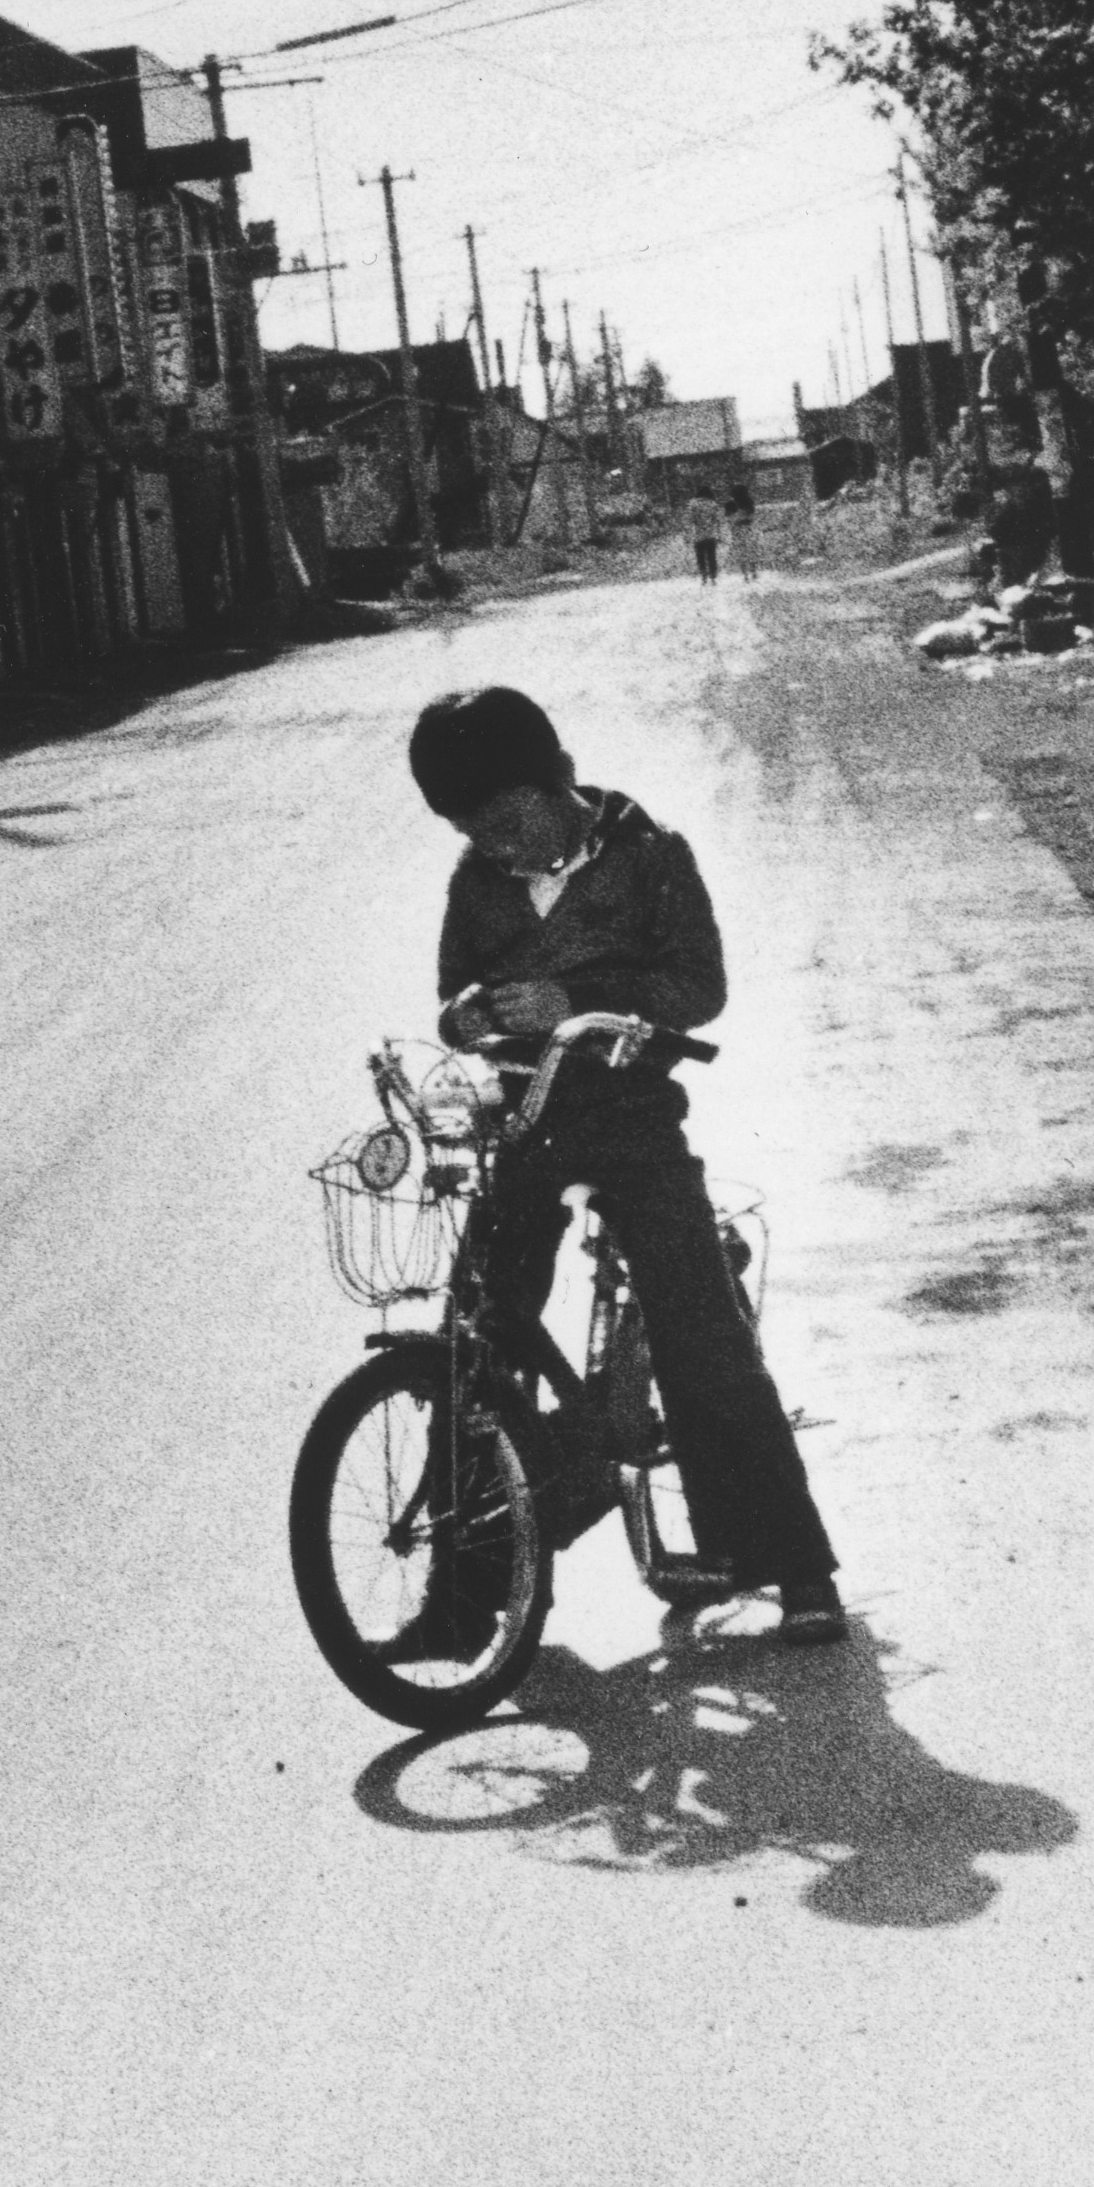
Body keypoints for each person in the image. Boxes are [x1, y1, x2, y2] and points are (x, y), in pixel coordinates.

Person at [403, 684, 844, 1646]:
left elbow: (698, 987)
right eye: (472, 830)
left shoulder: (651, 854)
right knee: (473, 1340)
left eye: (509, 818)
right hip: (520, 1126)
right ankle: (461, 1599)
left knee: (701, 1335)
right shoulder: (473, 881)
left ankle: (796, 1570)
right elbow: (448, 996)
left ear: (556, 779)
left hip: (632, 1120)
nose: (498, 846)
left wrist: (572, 995)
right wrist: (469, 1015)